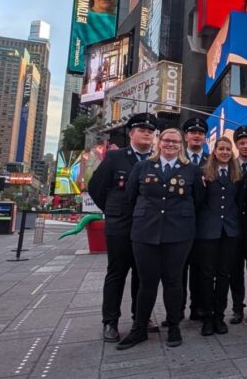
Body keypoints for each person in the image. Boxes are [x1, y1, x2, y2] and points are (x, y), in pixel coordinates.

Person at [116, 128, 202, 350]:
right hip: (145, 232)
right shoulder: (142, 166)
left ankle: (173, 326)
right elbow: (130, 196)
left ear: (181, 145)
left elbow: (199, 201)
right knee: (147, 282)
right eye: (166, 140)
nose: (171, 144)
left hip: (178, 233)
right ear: (159, 142)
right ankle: (139, 329)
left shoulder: (191, 170)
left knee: (173, 281)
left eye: (175, 141)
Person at [88, 112, 159, 343]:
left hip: (147, 227)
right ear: (131, 133)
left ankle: (141, 318)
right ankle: (110, 321)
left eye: (150, 130)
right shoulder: (115, 158)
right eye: (142, 129)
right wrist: (113, 211)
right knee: (117, 274)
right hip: (120, 227)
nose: (147, 133)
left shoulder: (156, 160)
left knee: (143, 274)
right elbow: (96, 187)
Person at [195, 137, 244, 336]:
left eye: (227, 149)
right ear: (214, 151)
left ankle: (219, 316)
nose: (224, 152)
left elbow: (240, 202)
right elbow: (198, 201)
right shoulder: (204, 173)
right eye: (221, 149)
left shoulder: (237, 174)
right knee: (207, 275)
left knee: (224, 275)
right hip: (209, 231)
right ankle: (207, 317)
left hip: (229, 231)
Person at [181, 117, 209, 321]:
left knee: (200, 269)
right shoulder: (178, 158)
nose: (197, 136)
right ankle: (177, 309)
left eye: (200, 133)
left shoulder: (213, 160)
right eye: (193, 133)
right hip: (180, 223)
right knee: (179, 270)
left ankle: (198, 307)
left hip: (204, 224)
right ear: (186, 136)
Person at [229, 125, 247, 324]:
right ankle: (238, 307)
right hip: (234, 229)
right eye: (242, 143)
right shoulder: (230, 167)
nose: (245, 146)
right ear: (237, 145)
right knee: (235, 271)